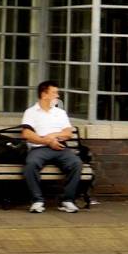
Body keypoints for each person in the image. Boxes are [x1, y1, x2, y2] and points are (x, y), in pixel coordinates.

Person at [20, 80, 82, 214]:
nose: (57, 96)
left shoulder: (60, 113)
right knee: (31, 164)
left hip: (60, 147)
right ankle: (37, 201)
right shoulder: (31, 112)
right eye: (54, 93)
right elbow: (27, 134)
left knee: (76, 163)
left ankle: (67, 200)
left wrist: (54, 135)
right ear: (44, 94)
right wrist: (47, 141)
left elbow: (68, 133)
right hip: (39, 148)